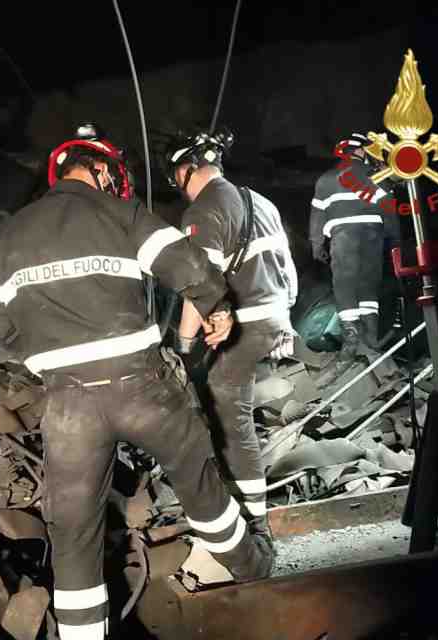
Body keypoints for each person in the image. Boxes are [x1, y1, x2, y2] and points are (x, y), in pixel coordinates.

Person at [0, 123, 274, 640]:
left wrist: (45, 359)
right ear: (99, 169)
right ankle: (254, 568)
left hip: (68, 403)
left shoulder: (11, 234)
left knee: (73, 533)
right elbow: (190, 267)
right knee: (198, 477)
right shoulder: (123, 214)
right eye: (113, 173)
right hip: (143, 388)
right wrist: (217, 306)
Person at [164, 127, 298, 548]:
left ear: (187, 170)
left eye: (175, 179)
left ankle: (253, 519)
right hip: (275, 314)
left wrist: (182, 347)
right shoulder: (261, 201)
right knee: (220, 392)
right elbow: (289, 271)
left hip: (248, 320)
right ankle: (236, 489)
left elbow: (197, 286)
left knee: (226, 410)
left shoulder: (204, 210)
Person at [310, 133, 389, 373]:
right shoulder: (377, 177)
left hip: (343, 241)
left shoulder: (326, 180)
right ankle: (371, 340)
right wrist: (394, 241)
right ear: (359, 151)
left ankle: (351, 343)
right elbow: (391, 212)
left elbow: (317, 217)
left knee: (345, 286)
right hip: (373, 241)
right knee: (368, 286)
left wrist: (316, 245)